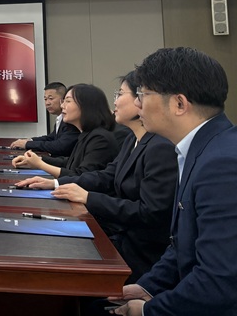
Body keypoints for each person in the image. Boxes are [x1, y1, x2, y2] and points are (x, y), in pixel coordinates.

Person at [110, 48, 237, 316]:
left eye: (143, 95)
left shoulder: (222, 164)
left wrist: (148, 310)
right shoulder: (198, 148)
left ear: (179, 104)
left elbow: (218, 282)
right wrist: (148, 287)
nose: (138, 105)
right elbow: (183, 245)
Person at [18, 72, 177, 282]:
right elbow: (106, 176)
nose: (115, 102)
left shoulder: (160, 147)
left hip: (139, 252)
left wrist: (88, 197)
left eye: (120, 94)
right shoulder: (132, 140)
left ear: (141, 99)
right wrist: (55, 183)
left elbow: (150, 212)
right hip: (119, 234)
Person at [12, 84, 118, 178]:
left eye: (67, 101)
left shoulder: (100, 138)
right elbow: (70, 162)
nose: (62, 105)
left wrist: (41, 165)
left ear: (85, 106)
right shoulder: (86, 134)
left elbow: (82, 176)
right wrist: (38, 159)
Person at [10, 82, 80, 156]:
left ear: (62, 100)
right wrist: (29, 141)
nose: (47, 103)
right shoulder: (60, 119)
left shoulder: (71, 121)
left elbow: (59, 146)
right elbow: (51, 138)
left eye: (51, 98)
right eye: (45, 99)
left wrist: (27, 144)